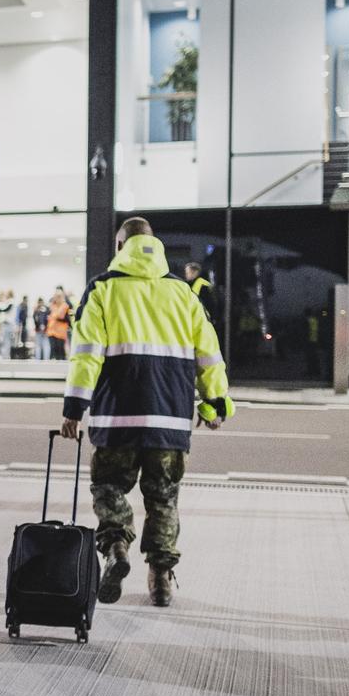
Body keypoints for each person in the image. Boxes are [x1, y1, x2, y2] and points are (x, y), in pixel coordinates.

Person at [62, 217, 233, 608]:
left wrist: (74, 408)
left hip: (116, 420)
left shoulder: (103, 289)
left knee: (109, 489)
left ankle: (117, 546)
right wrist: (213, 404)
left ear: (120, 245)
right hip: (169, 422)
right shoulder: (183, 294)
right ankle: (160, 579)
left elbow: (85, 355)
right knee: (164, 499)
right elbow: (209, 356)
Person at [184, 262, 220, 328]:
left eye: (187, 273)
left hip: (202, 321)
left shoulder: (203, 285)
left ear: (194, 273)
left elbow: (210, 303)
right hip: (197, 319)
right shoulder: (191, 284)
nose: (186, 275)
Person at [45, 288, 72, 360]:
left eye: (59, 296)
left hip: (61, 333)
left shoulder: (66, 306)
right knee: (53, 349)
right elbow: (47, 316)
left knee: (60, 351)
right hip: (51, 332)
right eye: (56, 296)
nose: (57, 298)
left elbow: (68, 319)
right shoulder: (51, 306)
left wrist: (58, 318)